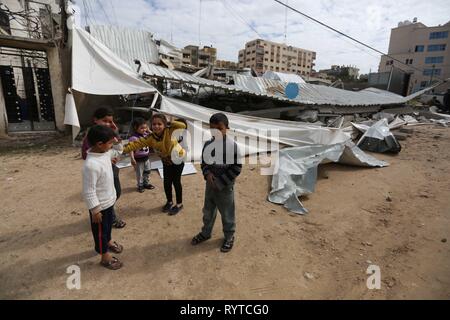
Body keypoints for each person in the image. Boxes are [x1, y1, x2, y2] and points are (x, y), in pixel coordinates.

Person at [191, 113, 242, 253]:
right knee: (208, 211)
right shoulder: (208, 145)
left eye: (220, 128)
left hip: (225, 188)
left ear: (227, 128)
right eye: (213, 130)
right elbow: (204, 162)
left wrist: (220, 182)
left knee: (227, 213)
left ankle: (229, 236)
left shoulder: (233, 147)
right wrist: (207, 174)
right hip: (210, 186)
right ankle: (206, 233)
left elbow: (237, 168)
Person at [123, 113, 187, 215]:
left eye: (159, 124)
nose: (156, 126)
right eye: (154, 124)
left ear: (164, 125)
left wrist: (169, 123)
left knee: (176, 181)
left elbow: (182, 126)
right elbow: (136, 144)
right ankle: (169, 202)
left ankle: (179, 204)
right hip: (166, 161)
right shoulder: (150, 137)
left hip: (178, 159)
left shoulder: (170, 131)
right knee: (167, 182)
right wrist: (121, 150)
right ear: (151, 126)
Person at [82, 125, 124, 270]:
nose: (112, 145)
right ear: (100, 144)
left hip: (109, 201)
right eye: (110, 143)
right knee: (100, 233)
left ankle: (109, 241)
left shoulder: (104, 152)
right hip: (99, 208)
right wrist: (95, 210)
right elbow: (89, 190)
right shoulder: (91, 165)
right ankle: (104, 257)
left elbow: (119, 150)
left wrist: (116, 138)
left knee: (107, 228)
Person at [81, 107, 126, 229]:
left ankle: (109, 214)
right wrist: (102, 158)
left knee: (116, 192)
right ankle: (110, 217)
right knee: (104, 196)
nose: (109, 124)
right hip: (100, 171)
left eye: (111, 121)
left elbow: (118, 150)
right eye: (105, 121)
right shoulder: (91, 136)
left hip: (111, 170)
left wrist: (115, 134)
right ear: (95, 120)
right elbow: (85, 154)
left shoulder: (109, 136)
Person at [129, 117, 155, 193]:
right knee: (140, 173)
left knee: (147, 171)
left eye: (145, 128)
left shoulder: (146, 134)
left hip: (146, 157)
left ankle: (146, 183)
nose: (144, 130)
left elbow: (153, 135)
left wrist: (148, 130)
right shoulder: (133, 138)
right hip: (138, 159)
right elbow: (130, 149)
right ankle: (140, 185)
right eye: (142, 128)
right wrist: (132, 158)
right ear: (135, 128)